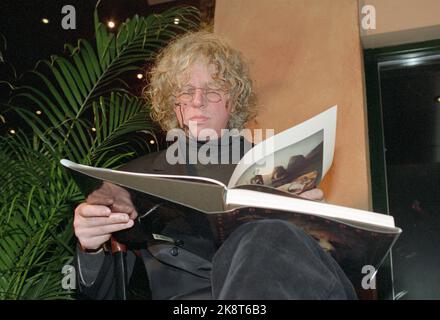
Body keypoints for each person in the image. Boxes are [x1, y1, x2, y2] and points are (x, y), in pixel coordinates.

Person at [74, 31, 357, 300]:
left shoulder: (278, 166)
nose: (198, 101)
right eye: (186, 91)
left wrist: (313, 224)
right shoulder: (133, 177)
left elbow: (319, 272)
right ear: (175, 106)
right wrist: (91, 247)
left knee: (268, 234)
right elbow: (106, 292)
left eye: (212, 91)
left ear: (232, 102)